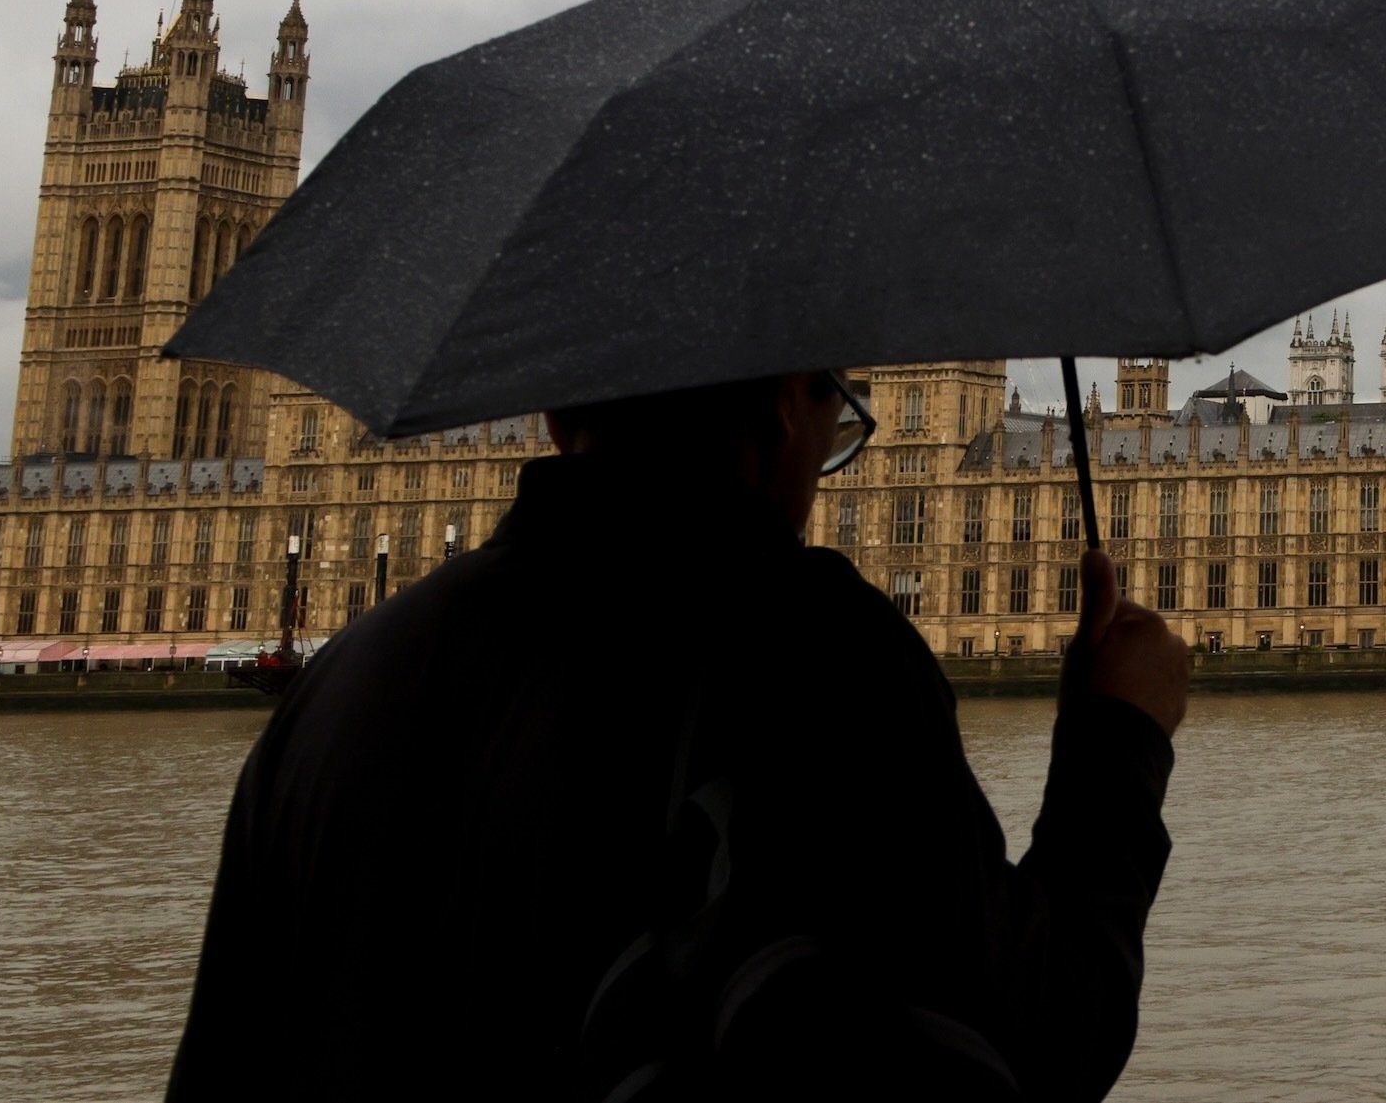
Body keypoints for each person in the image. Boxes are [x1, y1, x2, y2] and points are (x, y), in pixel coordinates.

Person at [168, 371, 1189, 1101]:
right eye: (837, 417)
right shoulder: (808, 645)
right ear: (785, 406)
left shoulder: (340, 684)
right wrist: (1118, 736)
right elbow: (1047, 1034)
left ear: (558, 408)